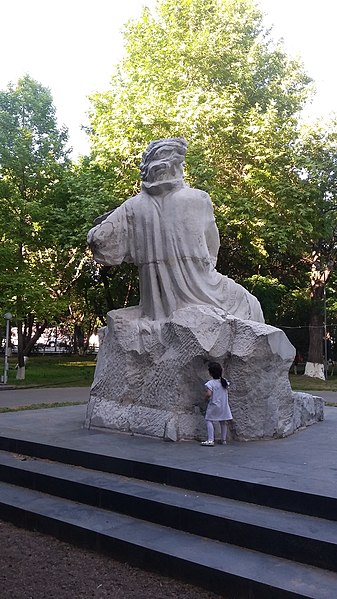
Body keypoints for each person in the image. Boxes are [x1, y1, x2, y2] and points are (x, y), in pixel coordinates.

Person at [87, 137, 264, 323]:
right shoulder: (198, 198)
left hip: (155, 305)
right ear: (175, 166)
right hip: (205, 287)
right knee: (250, 305)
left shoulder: (132, 207)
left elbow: (100, 240)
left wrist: (109, 221)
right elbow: (212, 248)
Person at [201, 362, 233, 446]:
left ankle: (210, 440)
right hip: (224, 405)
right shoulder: (225, 382)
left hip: (214, 405)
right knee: (223, 421)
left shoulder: (210, 383)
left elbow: (208, 394)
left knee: (209, 420)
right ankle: (223, 440)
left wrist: (205, 399)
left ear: (210, 373)